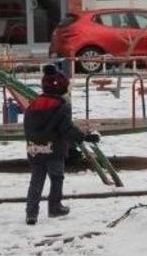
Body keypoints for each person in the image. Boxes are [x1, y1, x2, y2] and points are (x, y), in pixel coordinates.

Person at [24, 64, 99, 225]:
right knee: (56, 177)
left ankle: (31, 213)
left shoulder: (33, 104)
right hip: (54, 149)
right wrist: (84, 137)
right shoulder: (62, 106)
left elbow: (28, 127)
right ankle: (54, 207)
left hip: (35, 148)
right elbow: (66, 128)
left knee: (36, 180)